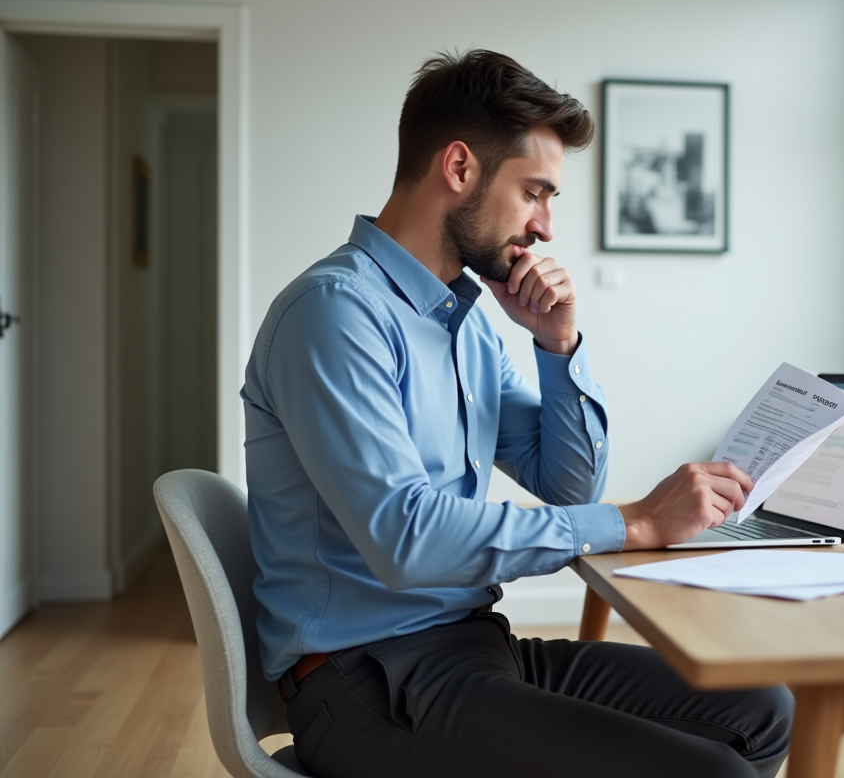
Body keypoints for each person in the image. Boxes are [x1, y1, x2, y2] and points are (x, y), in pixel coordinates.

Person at [241, 49, 793, 778]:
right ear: (459, 168)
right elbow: (406, 539)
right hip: (365, 680)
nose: (546, 226)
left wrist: (558, 346)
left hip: (471, 646)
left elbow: (568, 486)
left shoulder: (466, 322)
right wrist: (635, 522)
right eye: (535, 192)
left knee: (761, 709)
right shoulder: (335, 314)